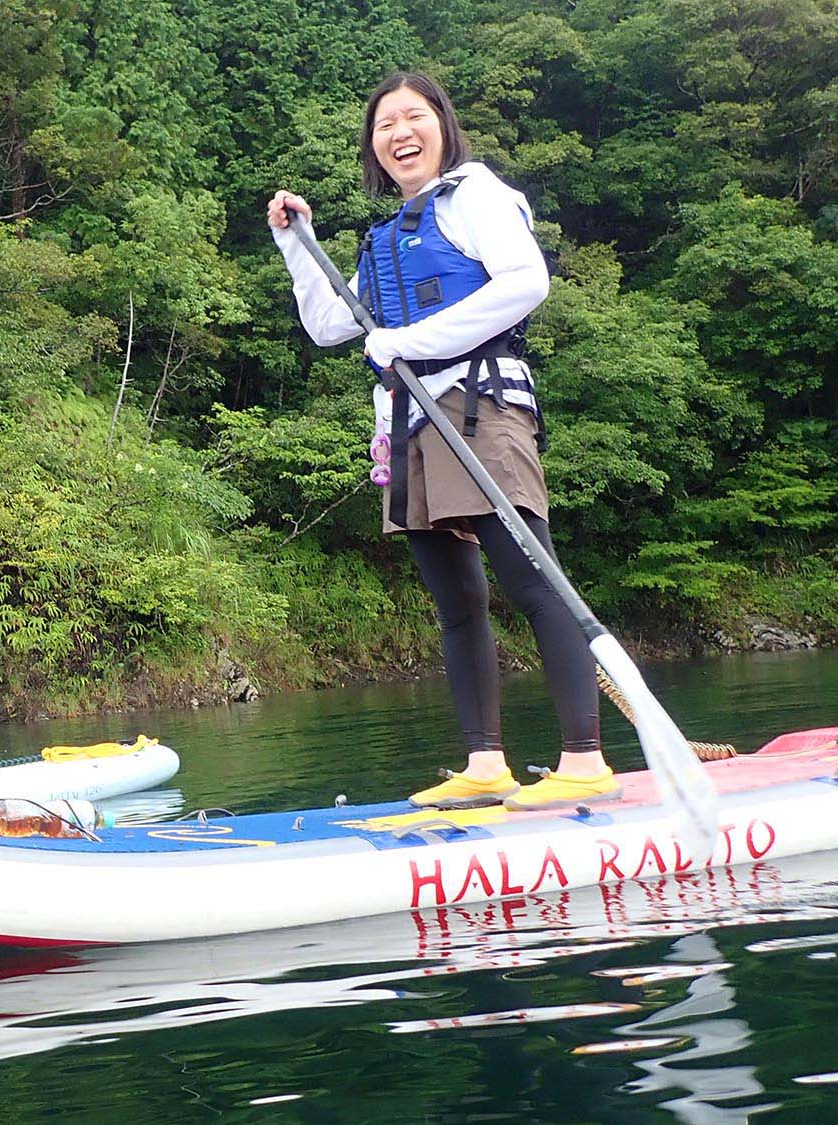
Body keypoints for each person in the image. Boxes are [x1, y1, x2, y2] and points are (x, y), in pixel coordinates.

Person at [267, 72, 612, 811]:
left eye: (412, 116)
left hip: (481, 406)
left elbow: (527, 282)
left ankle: (583, 756)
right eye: (383, 124)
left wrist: (410, 342)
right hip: (410, 425)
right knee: (456, 600)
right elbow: (333, 326)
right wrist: (297, 246)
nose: (398, 132)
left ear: (442, 126)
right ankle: (485, 761)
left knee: (532, 578)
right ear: (373, 148)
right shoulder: (386, 238)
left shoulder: (477, 196)